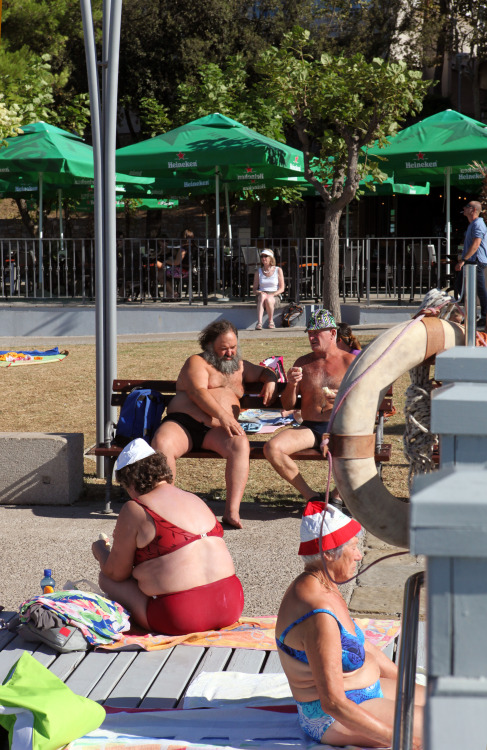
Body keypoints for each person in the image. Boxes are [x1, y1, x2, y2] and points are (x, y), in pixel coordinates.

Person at [276, 500, 424, 748]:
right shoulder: (318, 615)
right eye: (353, 548)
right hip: (335, 716)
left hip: (366, 691)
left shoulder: (324, 583)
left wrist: (413, 687)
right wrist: (401, 740)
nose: (359, 555)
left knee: (451, 705)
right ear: (327, 553)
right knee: (446, 724)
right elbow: (333, 703)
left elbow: (366, 648)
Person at [91, 438, 244, 635]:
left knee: (106, 579)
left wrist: (100, 550)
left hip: (180, 616)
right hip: (231, 604)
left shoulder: (136, 508)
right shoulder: (194, 498)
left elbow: (116, 573)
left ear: (129, 482)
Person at [152, 319, 278, 528]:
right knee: (162, 443)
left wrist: (271, 379)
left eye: (233, 347)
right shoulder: (197, 362)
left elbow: (265, 371)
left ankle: (232, 512)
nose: (230, 353)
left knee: (239, 444)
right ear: (209, 346)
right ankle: (168, 511)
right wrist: (223, 415)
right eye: (223, 349)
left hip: (217, 431)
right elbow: (197, 392)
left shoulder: (240, 367)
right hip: (184, 424)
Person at [263, 308, 355, 504]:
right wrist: (291, 384)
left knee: (359, 450)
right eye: (310, 333)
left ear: (332, 333)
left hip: (341, 427)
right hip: (310, 428)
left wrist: (343, 399)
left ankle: (337, 498)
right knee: (272, 448)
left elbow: (367, 400)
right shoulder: (303, 363)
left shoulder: (350, 362)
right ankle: (312, 497)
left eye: (316, 333)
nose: (312, 337)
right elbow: (288, 405)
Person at [455, 200, 487, 329]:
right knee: (460, 287)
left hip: (476, 261)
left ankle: (484, 317)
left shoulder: (478, 224)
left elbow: (476, 244)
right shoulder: (472, 224)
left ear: (473, 210)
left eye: (467, 206)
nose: (464, 208)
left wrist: (464, 260)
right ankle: (469, 315)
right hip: (471, 261)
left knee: (480, 290)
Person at [252, 249, 285, 329]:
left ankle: (271, 322)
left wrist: (272, 294)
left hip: (274, 295)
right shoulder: (258, 272)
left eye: (266, 256)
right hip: (262, 295)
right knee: (263, 297)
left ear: (271, 258)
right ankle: (259, 322)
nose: (263, 258)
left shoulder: (278, 270)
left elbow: (282, 288)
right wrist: (259, 292)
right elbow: (254, 290)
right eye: (262, 256)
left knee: (269, 299)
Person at [161, 229, 194, 298]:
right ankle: (170, 294)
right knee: (166, 272)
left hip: (183, 272)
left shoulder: (184, 248)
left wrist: (166, 261)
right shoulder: (192, 247)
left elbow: (176, 262)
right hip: (188, 270)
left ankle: (173, 294)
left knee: (161, 274)